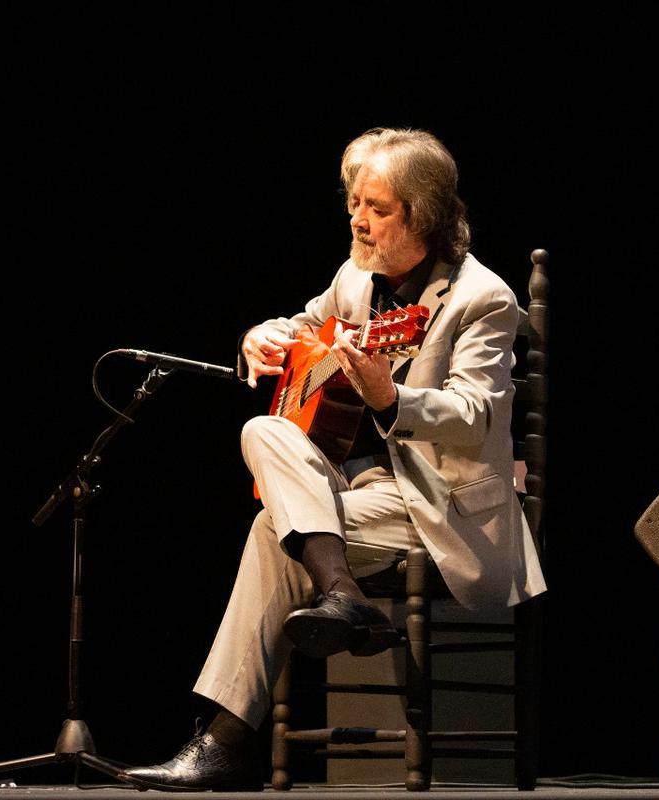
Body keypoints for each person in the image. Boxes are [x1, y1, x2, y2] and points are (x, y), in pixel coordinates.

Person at [121, 128, 546, 791]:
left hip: (444, 505)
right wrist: (261, 337)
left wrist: (392, 395)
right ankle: (344, 595)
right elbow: (302, 327)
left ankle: (225, 739)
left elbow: (475, 416)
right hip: (362, 490)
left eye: (377, 207)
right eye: (354, 203)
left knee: (272, 530)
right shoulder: (356, 277)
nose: (358, 219)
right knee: (265, 430)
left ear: (423, 213)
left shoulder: (482, 299)